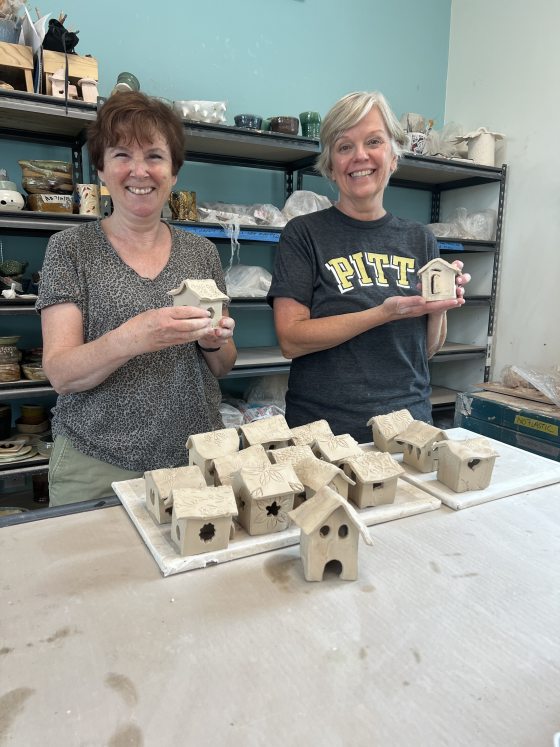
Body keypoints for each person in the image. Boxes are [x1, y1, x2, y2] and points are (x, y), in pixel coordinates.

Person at [37, 92, 236, 506]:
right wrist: (137, 334)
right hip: (98, 464)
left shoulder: (202, 253)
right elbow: (61, 374)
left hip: (195, 458)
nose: (139, 171)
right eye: (122, 154)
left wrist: (213, 341)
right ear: (102, 169)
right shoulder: (70, 249)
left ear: (174, 172)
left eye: (155, 156)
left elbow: (222, 366)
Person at [267, 91, 470, 444]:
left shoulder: (420, 239)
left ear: (393, 156)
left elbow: (427, 350)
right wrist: (382, 313)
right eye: (344, 146)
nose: (360, 156)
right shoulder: (304, 234)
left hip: (409, 427)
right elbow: (291, 340)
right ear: (330, 165)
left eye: (374, 141)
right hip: (324, 432)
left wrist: (439, 310)